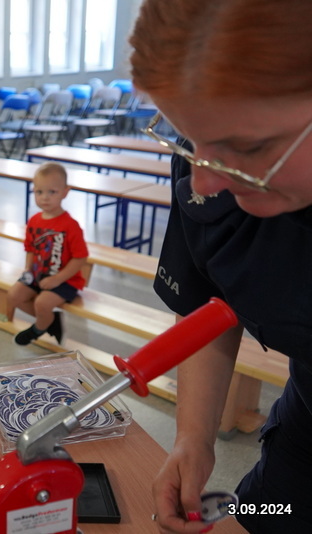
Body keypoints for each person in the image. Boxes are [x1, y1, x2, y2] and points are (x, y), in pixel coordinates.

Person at [129, 1, 312, 532]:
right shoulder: (209, 157)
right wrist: (192, 438)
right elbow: (207, 304)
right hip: (303, 437)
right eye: (190, 142)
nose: (205, 181)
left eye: (247, 148)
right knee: (256, 514)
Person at [5, 163, 88, 346]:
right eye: (39, 192)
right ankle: (51, 320)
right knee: (13, 296)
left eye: (52, 192)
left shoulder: (70, 225)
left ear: (65, 192)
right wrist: (28, 270)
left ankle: (38, 329)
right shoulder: (34, 221)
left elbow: (80, 258)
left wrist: (57, 279)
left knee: (42, 304)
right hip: (38, 274)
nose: (45, 197)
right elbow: (30, 249)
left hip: (66, 280)